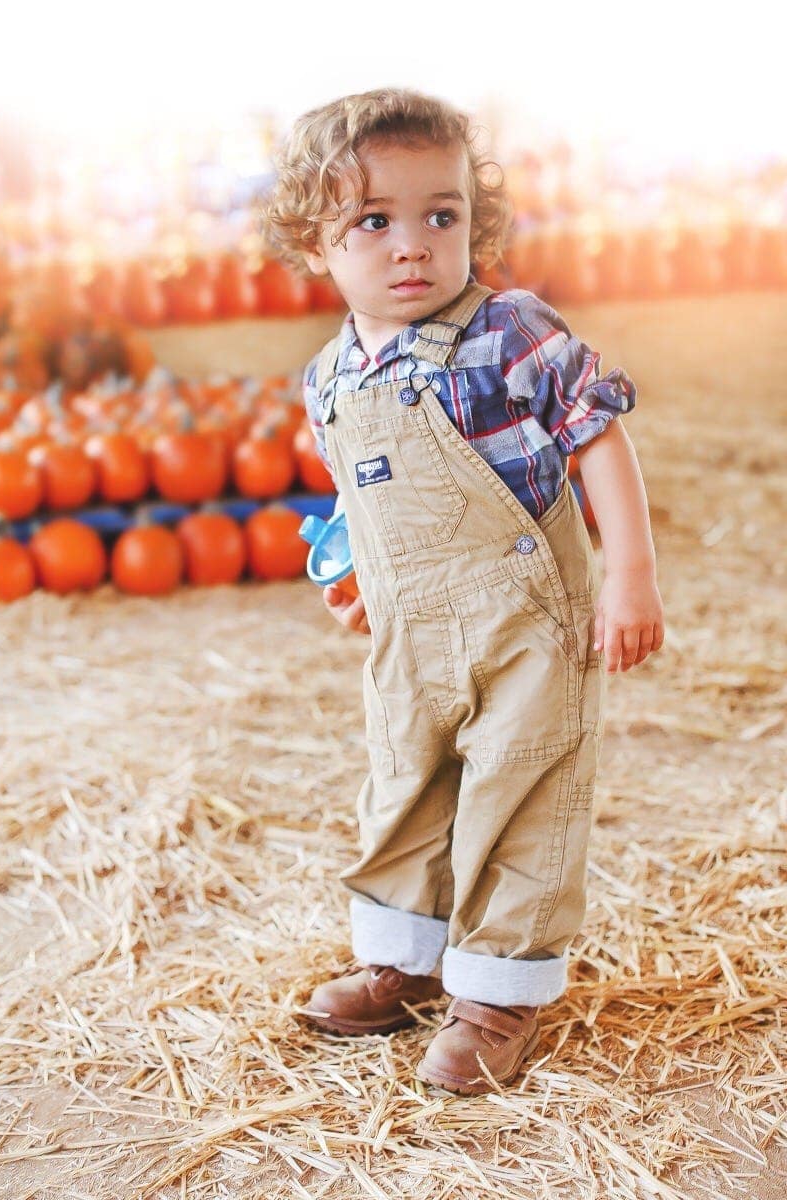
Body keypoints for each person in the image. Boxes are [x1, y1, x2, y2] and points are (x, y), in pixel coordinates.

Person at [261, 87, 665, 1095]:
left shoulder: (507, 332)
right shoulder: (328, 377)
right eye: (373, 222)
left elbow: (596, 438)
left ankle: (496, 992)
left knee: (519, 790)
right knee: (405, 778)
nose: (412, 246)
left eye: (439, 216)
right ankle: (400, 958)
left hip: (525, 620)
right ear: (315, 244)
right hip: (410, 627)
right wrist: (356, 575)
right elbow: (364, 491)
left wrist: (628, 574)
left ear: (471, 223)